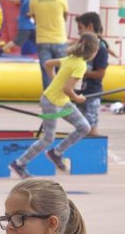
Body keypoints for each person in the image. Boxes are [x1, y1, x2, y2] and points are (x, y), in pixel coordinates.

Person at [10, 33, 98, 178]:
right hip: (51, 101)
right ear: (93, 51)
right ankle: (19, 163)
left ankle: (56, 152)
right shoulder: (80, 65)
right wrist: (78, 98)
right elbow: (68, 89)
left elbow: (48, 64)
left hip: (62, 101)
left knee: (84, 127)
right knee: (48, 138)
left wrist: (54, 80)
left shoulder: (71, 58)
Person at [29, 0, 69, 87]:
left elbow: (35, 19)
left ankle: (49, 95)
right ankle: (61, 94)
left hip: (42, 39)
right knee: (62, 70)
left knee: (46, 70)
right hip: (59, 38)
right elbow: (65, 16)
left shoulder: (34, 0)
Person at [75, 13, 109, 135]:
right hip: (79, 92)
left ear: (90, 27)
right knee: (81, 125)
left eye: (80, 28)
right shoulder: (81, 46)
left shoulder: (101, 48)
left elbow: (100, 74)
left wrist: (82, 73)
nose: (79, 32)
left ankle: (94, 144)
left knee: (91, 125)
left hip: (92, 92)